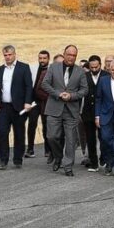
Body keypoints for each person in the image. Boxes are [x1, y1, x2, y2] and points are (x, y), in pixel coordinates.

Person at [41, 44, 89, 176]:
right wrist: (58, 94)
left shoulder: (80, 71)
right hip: (54, 107)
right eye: (69, 54)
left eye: (74, 55)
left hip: (71, 110)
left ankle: (68, 166)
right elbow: (45, 84)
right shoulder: (53, 67)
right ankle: (58, 157)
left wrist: (72, 96)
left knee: (71, 140)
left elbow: (84, 90)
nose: (71, 57)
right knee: (51, 137)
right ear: (64, 54)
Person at [0, 45, 36, 170]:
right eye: (5, 55)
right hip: (4, 107)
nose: (7, 57)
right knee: (2, 132)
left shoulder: (23, 68)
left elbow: (29, 86)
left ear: (14, 54)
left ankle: (18, 159)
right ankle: (3, 160)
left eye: (9, 55)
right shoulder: (0, 69)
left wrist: (28, 102)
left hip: (19, 107)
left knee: (19, 133)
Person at [81, 55, 105, 171]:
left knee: (104, 137)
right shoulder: (84, 76)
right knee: (90, 139)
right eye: (92, 67)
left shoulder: (107, 76)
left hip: (103, 113)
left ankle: (104, 157)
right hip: (88, 112)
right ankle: (93, 163)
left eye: (96, 67)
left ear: (100, 65)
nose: (94, 70)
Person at [27, 50, 51, 159]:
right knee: (32, 123)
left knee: (46, 125)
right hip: (34, 101)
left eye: (44, 58)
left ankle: (47, 149)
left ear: (48, 59)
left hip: (46, 101)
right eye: (40, 58)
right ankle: (30, 149)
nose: (42, 60)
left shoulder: (52, 70)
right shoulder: (32, 68)